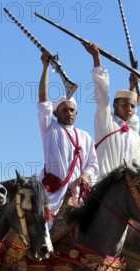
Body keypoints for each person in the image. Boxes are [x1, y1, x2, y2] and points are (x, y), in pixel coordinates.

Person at [37, 51, 99, 220]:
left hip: (78, 195)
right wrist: (46, 67)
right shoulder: (50, 128)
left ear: (77, 113)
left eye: (72, 110)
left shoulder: (85, 136)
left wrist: (86, 175)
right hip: (53, 194)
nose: (69, 113)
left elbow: (93, 164)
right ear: (56, 113)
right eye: (64, 110)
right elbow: (43, 100)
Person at [84, 42, 140, 178]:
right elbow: (102, 95)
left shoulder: (134, 134)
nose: (129, 109)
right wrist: (96, 58)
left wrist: (132, 86)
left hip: (129, 189)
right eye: (124, 105)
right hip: (104, 187)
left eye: (132, 107)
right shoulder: (106, 121)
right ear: (115, 105)